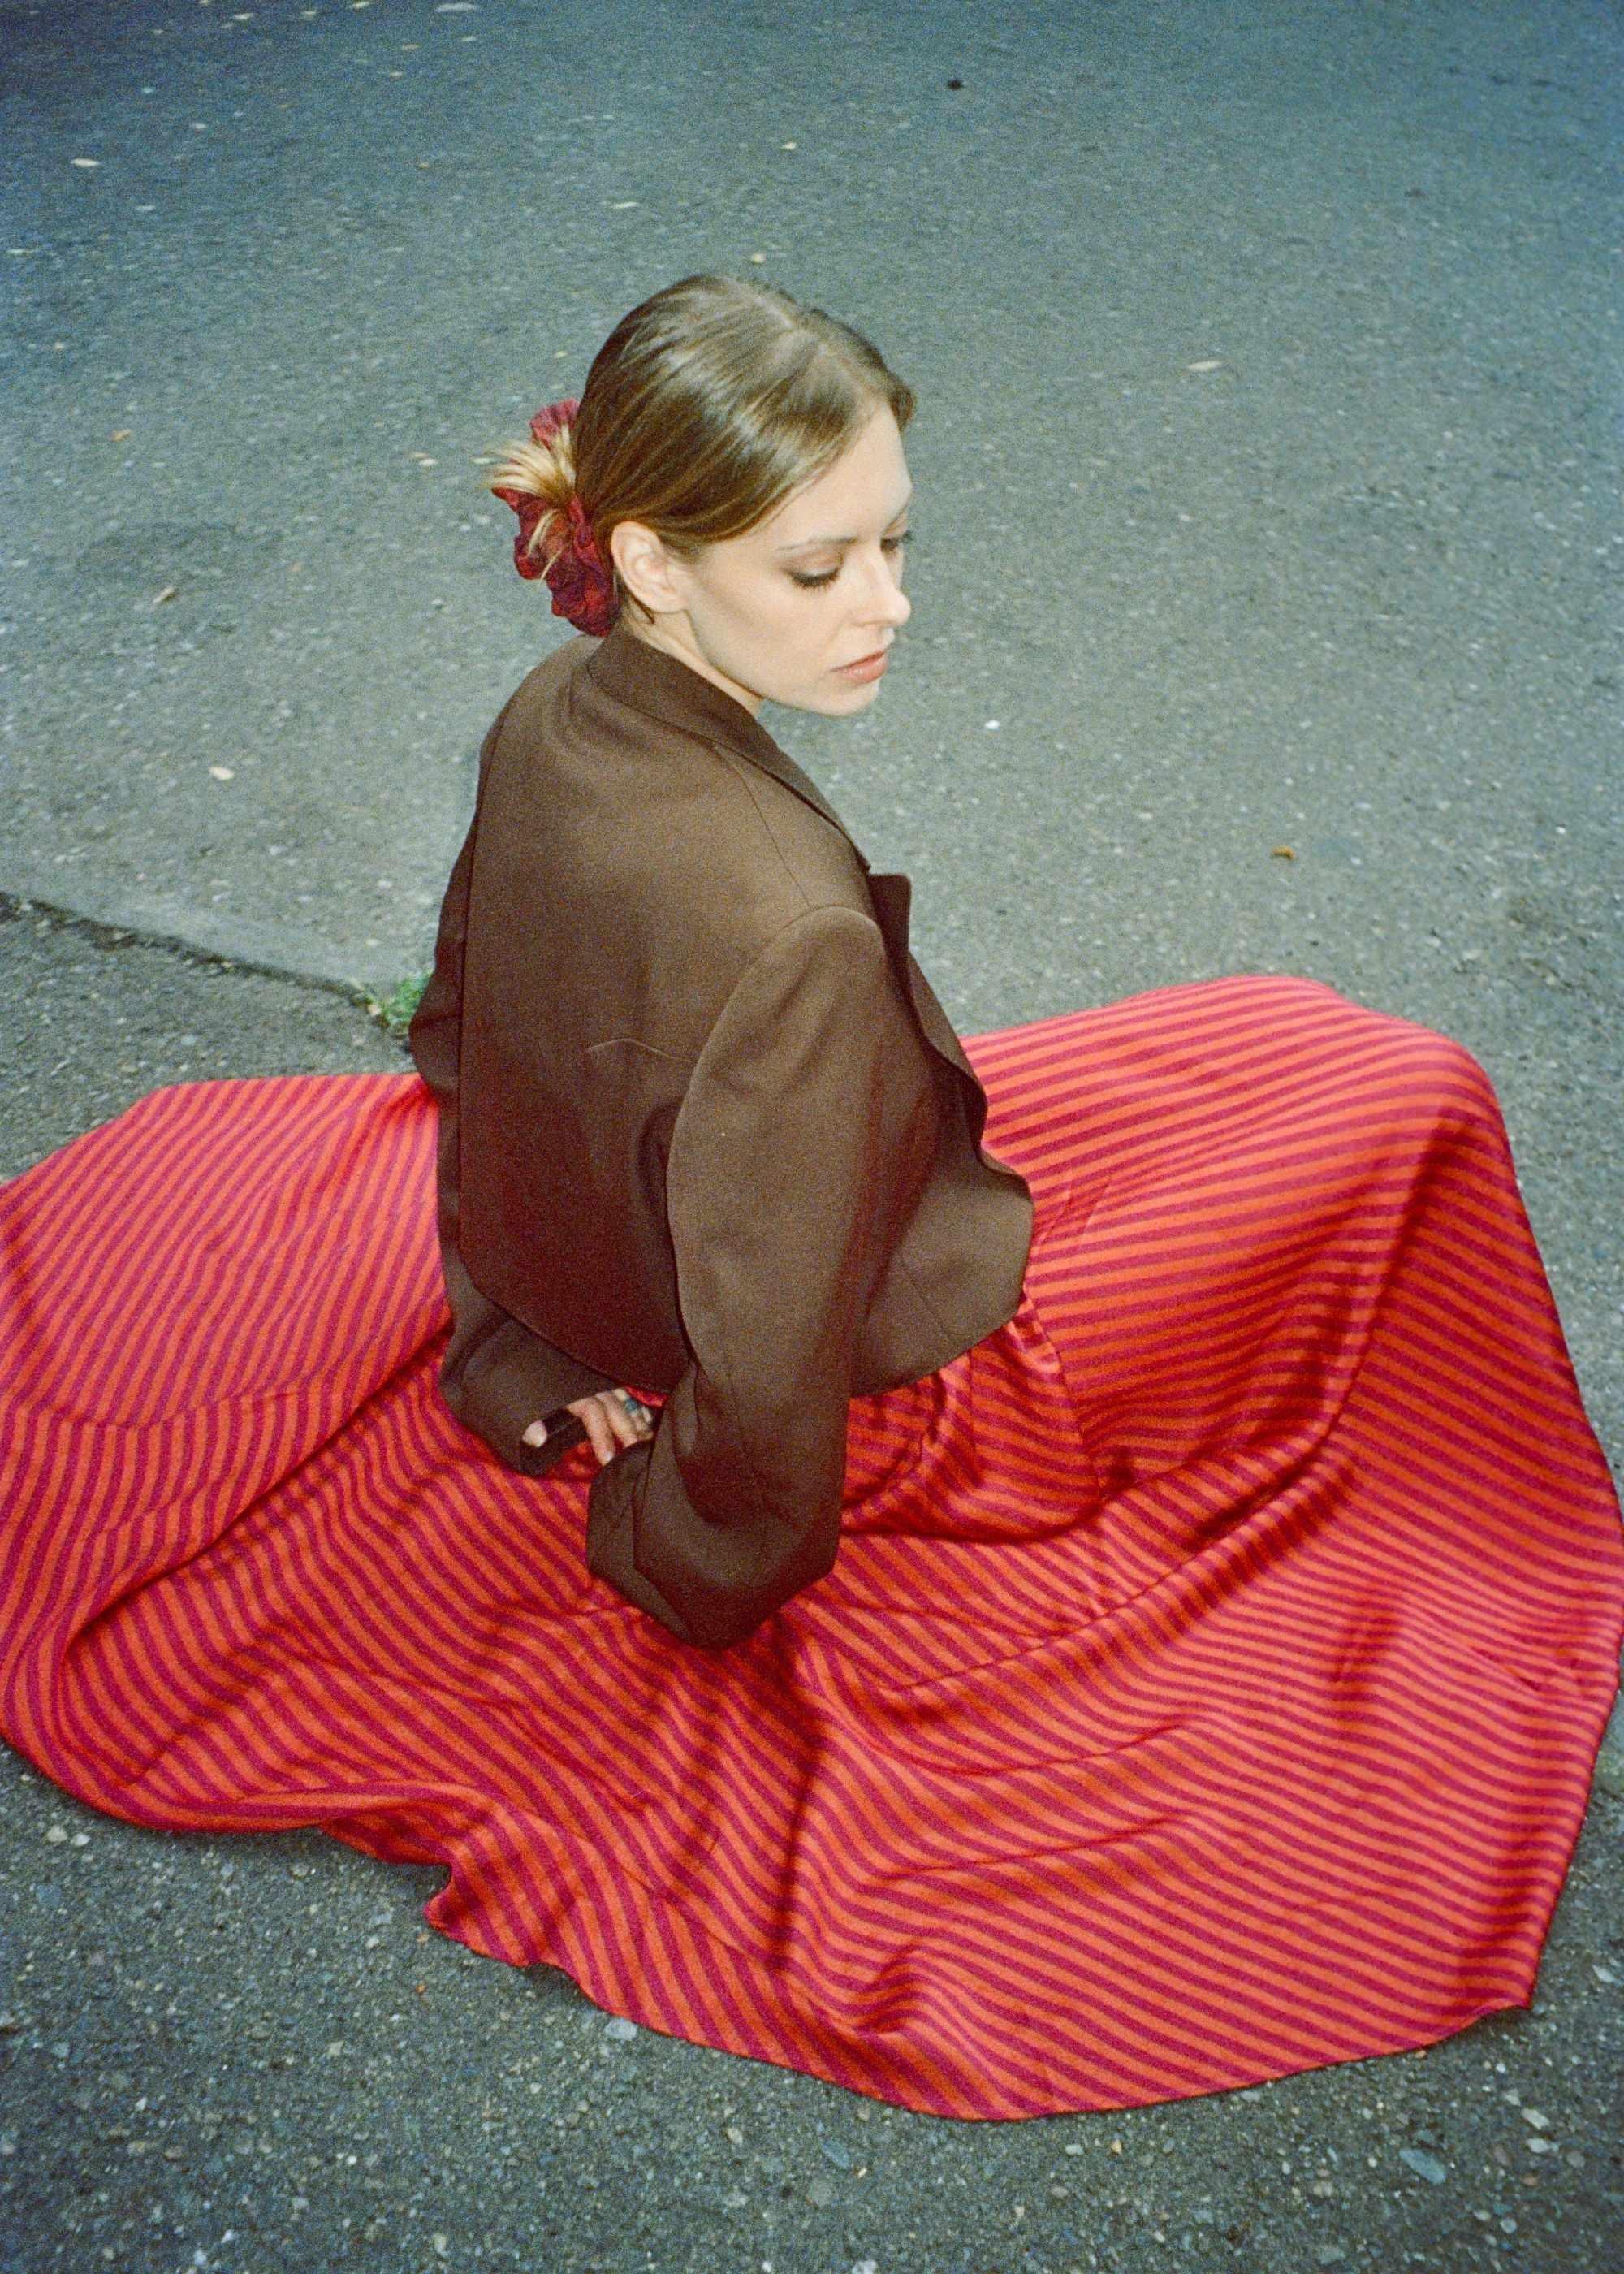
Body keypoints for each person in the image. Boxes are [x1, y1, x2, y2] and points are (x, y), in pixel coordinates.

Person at [2, 272, 1619, 2121]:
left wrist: (519, 1331)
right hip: (924, 1327)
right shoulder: (787, 925)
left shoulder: (553, 712)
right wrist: (676, 1552)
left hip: (801, 1173)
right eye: (822, 565)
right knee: (1405, 1103)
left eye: (896, 542)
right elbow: (771, 1369)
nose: (891, 605)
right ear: (653, 557)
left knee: (1293, 1044)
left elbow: (472, 1044)